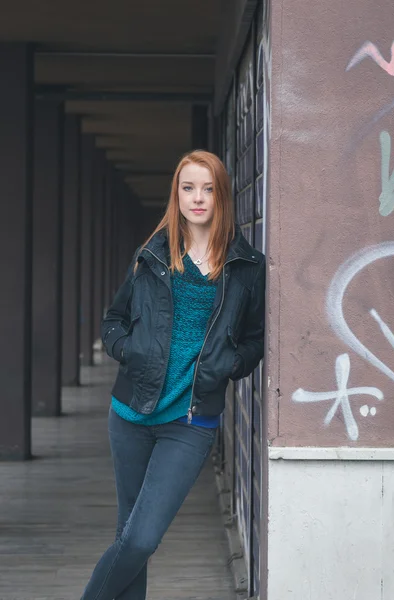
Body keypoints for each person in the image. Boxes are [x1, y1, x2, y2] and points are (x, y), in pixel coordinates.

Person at [81, 150, 266, 600]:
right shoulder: (153, 253)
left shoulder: (247, 267)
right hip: (130, 414)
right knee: (130, 537)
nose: (197, 198)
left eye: (207, 188)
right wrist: (131, 351)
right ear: (177, 194)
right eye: (188, 188)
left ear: (221, 194)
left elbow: (255, 339)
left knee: (142, 538)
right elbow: (114, 319)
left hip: (190, 421)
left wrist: (231, 364)